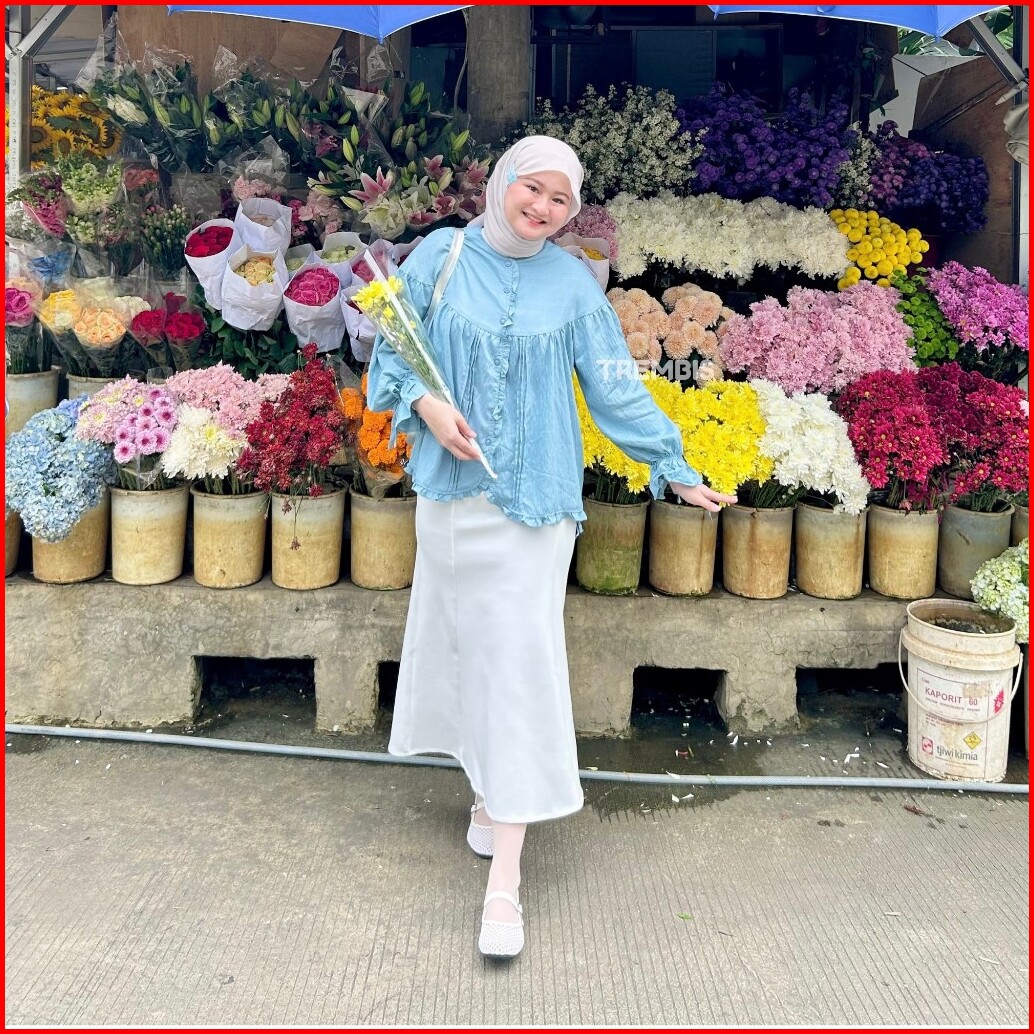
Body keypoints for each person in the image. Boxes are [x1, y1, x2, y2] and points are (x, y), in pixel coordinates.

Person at [367, 136, 736, 959]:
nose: (542, 207)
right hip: (451, 502)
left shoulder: (572, 284)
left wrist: (673, 466)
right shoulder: (440, 256)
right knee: (467, 650)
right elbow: (393, 340)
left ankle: (506, 877)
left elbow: (613, 386)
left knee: (520, 666)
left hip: (535, 508)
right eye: (531, 188)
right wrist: (426, 405)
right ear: (502, 182)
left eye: (560, 199)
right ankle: (487, 794)